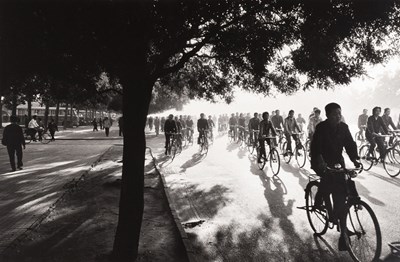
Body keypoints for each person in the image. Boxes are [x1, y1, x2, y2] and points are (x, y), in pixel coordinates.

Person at [310, 102, 361, 251]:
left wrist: (355, 159)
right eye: (334, 114)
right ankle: (319, 201)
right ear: (327, 115)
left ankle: (343, 231)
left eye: (339, 113)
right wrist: (321, 162)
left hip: (338, 162)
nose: (338, 116)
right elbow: (316, 148)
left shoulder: (344, 128)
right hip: (321, 160)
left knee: (341, 196)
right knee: (327, 183)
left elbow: (350, 145)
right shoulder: (321, 128)